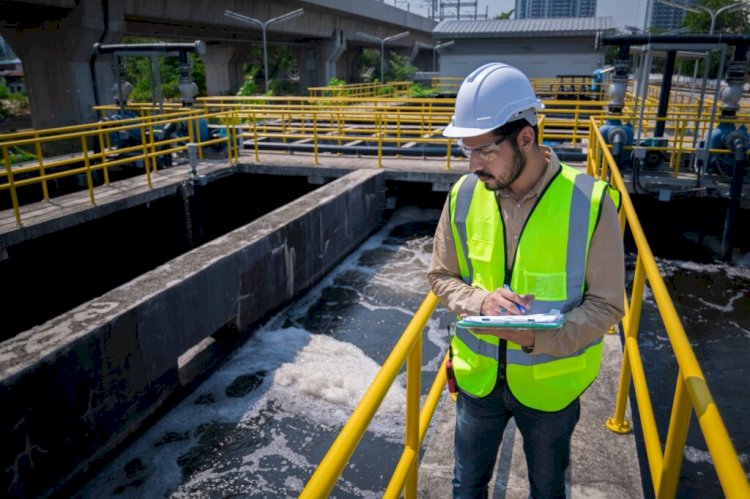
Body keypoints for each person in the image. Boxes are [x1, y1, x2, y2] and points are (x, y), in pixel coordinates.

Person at [427, 62, 626, 499]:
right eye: (467, 150)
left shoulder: (591, 202)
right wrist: (479, 301)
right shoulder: (463, 195)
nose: (474, 164)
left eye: (485, 151)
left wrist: (536, 339)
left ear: (526, 138)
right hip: (478, 382)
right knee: (466, 488)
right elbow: (441, 275)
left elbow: (608, 305)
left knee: (548, 489)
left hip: (551, 389)